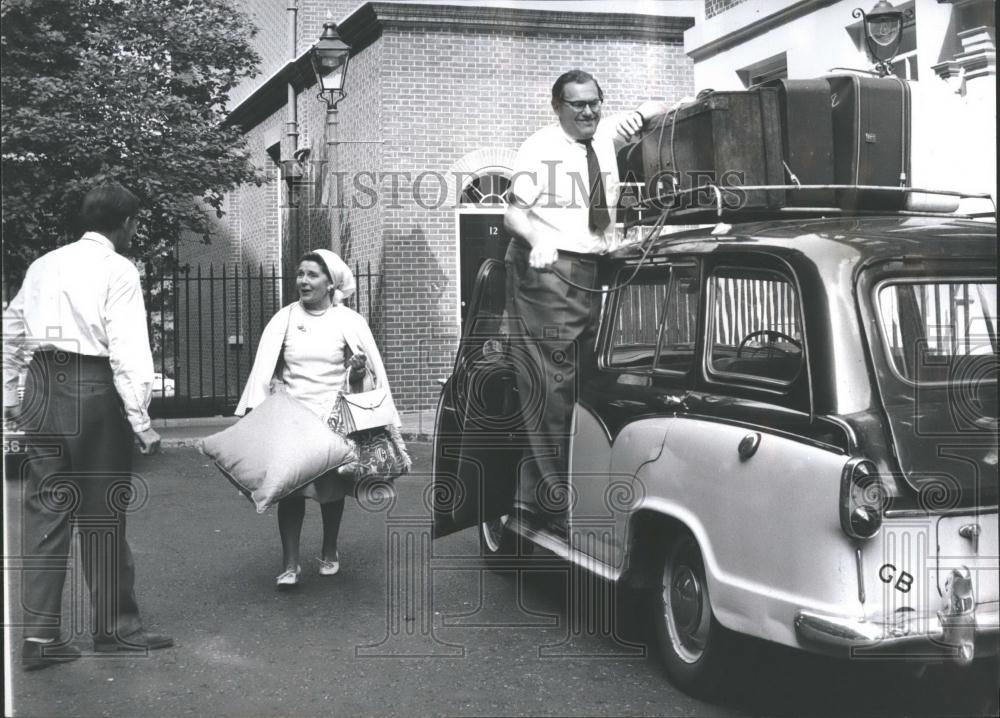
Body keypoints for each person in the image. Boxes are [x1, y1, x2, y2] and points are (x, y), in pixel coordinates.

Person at [3, 182, 173, 670]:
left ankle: (39, 638)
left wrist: (11, 394)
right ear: (125, 223)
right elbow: (127, 346)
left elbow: (12, 328)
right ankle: (115, 630)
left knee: (45, 511)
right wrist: (141, 419)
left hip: (40, 385)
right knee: (102, 514)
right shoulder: (117, 268)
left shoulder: (43, 265)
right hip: (89, 386)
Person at [503, 69, 671, 534]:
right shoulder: (539, 149)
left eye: (594, 102)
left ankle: (548, 487)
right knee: (552, 385)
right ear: (557, 107)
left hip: (594, 268)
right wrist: (538, 238)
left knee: (591, 379)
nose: (587, 111)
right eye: (576, 104)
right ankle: (552, 501)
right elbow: (513, 213)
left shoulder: (603, 134)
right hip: (548, 269)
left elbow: (638, 117)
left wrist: (665, 106)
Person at [235, 249, 409, 588]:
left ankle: (329, 551)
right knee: (290, 491)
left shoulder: (348, 321)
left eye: (312, 275)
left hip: (334, 421)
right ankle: (290, 565)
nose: (303, 281)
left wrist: (357, 370)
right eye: (300, 274)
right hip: (293, 419)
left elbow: (367, 376)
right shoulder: (284, 318)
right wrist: (258, 410)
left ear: (330, 283)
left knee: (330, 492)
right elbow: (265, 370)